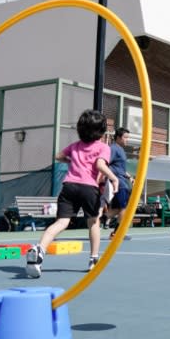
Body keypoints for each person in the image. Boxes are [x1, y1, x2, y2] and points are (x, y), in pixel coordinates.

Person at [26, 109, 118, 278]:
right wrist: (113, 178)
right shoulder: (103, 147)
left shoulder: (75, 146)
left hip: (69, 186)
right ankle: (93, 259)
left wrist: (71, 160)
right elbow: (99, 165)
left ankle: (39, 250)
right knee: (94, 222)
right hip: (88, 187)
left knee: (61, 222)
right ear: (101, 131)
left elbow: (58, 156)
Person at [106, 127, 133, 239]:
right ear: (118, 137)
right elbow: (105, 164)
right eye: (125, 137)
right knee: (124, 208)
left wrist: (129, 176)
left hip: (123, 182)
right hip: (118, 183)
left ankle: (100, 217)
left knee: (118, 209)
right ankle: (116, 233)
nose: (127, 140)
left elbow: (120, 168)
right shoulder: (113, 148)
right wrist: (112, 179)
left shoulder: (121, 150)